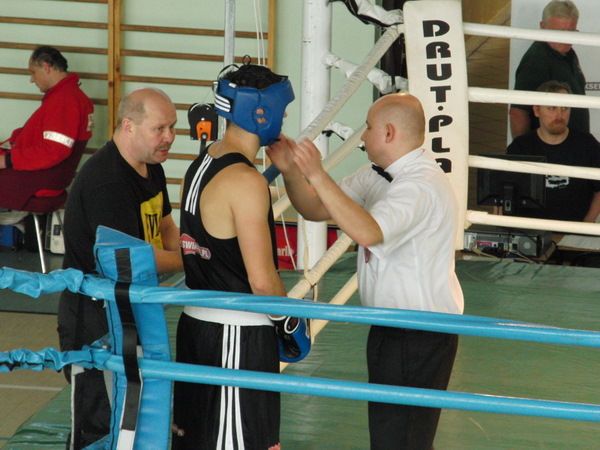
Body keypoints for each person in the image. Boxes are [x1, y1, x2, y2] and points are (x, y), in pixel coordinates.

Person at [267, 93, 464, 449]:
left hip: (419, 331)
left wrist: (316, 172)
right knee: (395, 437)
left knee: (402, 440)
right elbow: (316, 208)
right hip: (391, 327)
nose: (362, 136)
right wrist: (292, 172)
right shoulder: (377, 174)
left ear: (388, 133)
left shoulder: (419, 185)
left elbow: (367, 232)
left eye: (369, 128)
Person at [171, 63, 294, 450]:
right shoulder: (245, 181)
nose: (285, 117)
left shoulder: (200, 164)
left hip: (196, 328)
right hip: (236, 337)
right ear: (261, 112)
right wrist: (289, 320)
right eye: (282, 109)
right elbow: (262, 281)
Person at [57, 87, 182, 449]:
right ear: (129, 126)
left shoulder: (150, 166)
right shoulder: (107, 182)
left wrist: (186, 251)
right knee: (100, 424)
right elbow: (133, 260)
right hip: (95, 319)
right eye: (159, 129)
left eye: (173, 127)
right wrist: (196, 259)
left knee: (136, 417)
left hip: (131, 306)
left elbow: (166, 225)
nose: (169, 137)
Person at [0, 45, 94, 222]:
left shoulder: (64, 100)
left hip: (39, 181)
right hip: (47, 177)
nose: (32, 79)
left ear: (46, 67)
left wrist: (7, 160)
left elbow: (54, 151)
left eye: (33, 72)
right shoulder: (70, 96)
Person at [508, 80, 600, 222]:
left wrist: (587, 224)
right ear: (537, 110)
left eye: (564, 108)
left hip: (574, 230)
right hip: (530, 230)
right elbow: (504, 193)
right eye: (552, 108)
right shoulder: (520, 147)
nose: (559, 115)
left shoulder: (587, 144)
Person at [510, 0, 587, 139]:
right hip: (552, 146)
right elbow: (518, 111)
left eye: (571, 32)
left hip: (573, 145)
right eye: (559, 32)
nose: (566, 38)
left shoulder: (568, 52)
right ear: (543, 26)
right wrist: (521, 149)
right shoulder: (536, 60)